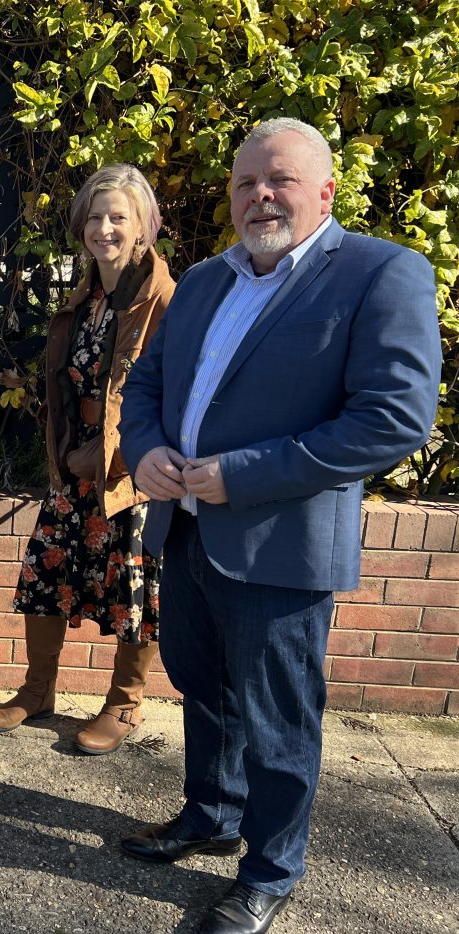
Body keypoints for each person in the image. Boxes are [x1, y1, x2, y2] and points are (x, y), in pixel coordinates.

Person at [118, 118, 442, 934]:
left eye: (280, 180)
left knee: (278, 720)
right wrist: (148, 449)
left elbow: (393, 417)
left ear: (326, 190)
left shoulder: (380, 273)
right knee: (202, 688)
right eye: (245, 183)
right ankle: (211, 814)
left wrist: (243, 475)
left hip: (281, 547)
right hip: (186, 529)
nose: (260, 195)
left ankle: (270, 871)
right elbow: (148, 383)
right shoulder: (201, 281)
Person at [0, 164, 174, 755]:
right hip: (74, 462)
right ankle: (38, 690)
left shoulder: (163, 297)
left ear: (143, 226)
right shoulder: (86, 296)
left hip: (129, 470)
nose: (104, 227)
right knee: (45, 575)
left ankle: (124, 703)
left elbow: (173, 388)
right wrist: (67, 446)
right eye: (94, 215)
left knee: (133, 591)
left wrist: (124, 453)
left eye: (118, 216)